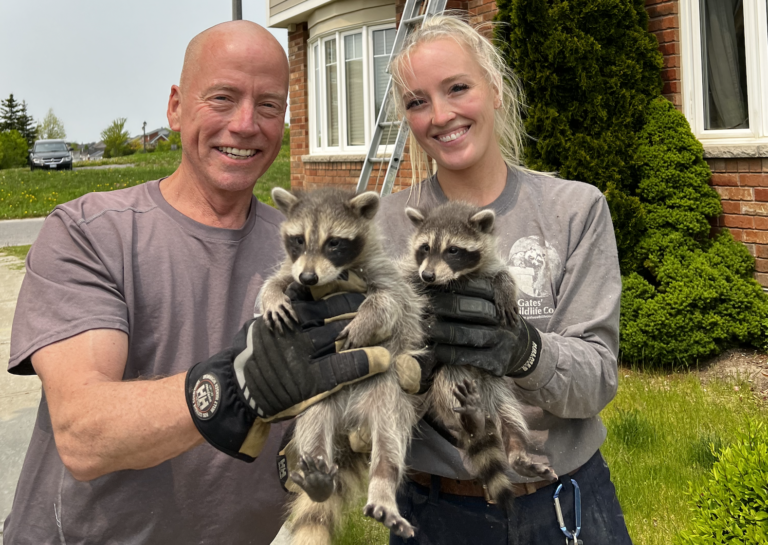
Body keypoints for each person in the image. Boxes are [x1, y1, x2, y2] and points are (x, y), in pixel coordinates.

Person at [3, 21, 387, 544]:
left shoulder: (305, 248)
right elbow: (84, 435)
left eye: (269, 105)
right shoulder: (90, 231)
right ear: (176, 107)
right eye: (223, 98)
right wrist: (235, 387)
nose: (246, 124)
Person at [376, 15, 632, 544]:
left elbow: (598, 378)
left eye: (457, 88)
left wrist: (524, 351)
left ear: (494, 89)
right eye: (417, 101)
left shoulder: (573, 209)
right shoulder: (386, 222)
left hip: (564, 502)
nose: (440, 115)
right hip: (434, 506)